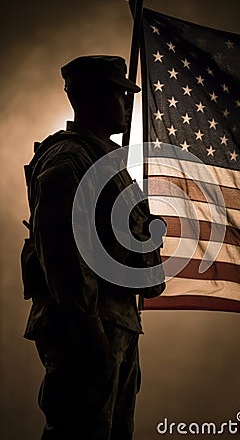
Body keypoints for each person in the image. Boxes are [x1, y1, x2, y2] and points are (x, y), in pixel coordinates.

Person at [21, 55, 165, 440]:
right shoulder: (70, 158)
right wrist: (90, 335)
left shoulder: (108, 165)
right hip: (87, 329)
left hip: (116, 326)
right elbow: (62, 254)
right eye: (120, 94)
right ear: (94, 98)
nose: (127, 103)